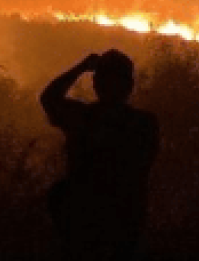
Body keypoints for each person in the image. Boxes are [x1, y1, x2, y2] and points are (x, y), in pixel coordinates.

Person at [40, 50, 159, 261]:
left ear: (95, 84)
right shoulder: (144, 123)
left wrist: (81, 68)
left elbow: (49, 98)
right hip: (121, 224)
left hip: (87, 224)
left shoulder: (82, 117)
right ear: (130, 86)